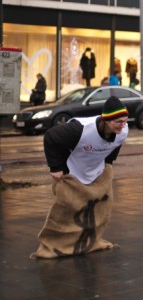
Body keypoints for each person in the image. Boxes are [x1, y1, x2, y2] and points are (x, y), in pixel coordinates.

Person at [32, 97, 129, 259]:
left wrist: (109, 162)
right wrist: (56, 167)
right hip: (72, 171)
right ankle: (55, 245)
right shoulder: (80, 129)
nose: (122, 125)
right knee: (67, 208)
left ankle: (90, 240)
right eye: (118, 122)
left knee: (99, 207)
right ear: (106, 119)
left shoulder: (122, 131)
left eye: (125, 121)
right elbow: (51, 137)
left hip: (95, 172)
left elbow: (115, 145)